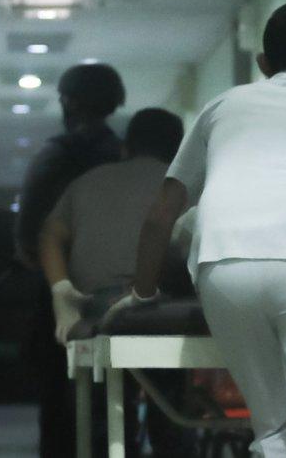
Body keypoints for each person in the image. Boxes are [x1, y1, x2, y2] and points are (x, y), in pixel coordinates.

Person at [109, 2, 286, 457]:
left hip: (221, 271)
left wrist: (143, 296)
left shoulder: (220, 107)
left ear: (263, 63)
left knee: (276, 428)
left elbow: (160, 216)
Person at [39, 107, 190, 456]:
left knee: (103, 412)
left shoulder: (88, 181)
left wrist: (61, 292)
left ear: (126, 146)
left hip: (101, 307)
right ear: (181, 149)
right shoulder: (186, 183)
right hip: (168, 309)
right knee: (172, 407)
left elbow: (50, 234)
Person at [15, 62, 126, 458]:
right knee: (115, 400)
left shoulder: (57, 155)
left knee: (59, 404)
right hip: (118, 292)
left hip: (59, 292)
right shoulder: (122, 157)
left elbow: (30, 233)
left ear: (68, 101)